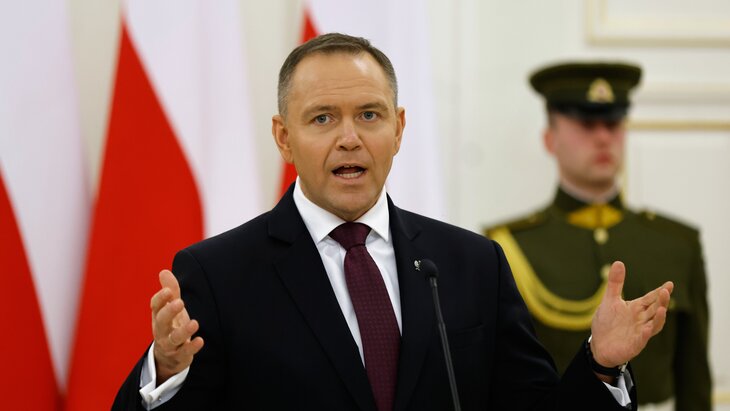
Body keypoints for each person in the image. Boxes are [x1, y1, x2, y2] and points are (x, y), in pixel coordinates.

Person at [113, 34, 673, 411]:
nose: (349, 137)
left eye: (370, 115)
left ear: (399, 129)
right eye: (322, 118)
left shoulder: (472, 264)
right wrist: (168, 369)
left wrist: (600, 365)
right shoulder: (219, 274)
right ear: (284, 137)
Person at [485, 61, 711, 411]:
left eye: (613, 124)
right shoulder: (508, 248)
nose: (603, 137)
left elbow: (694, 382)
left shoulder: (677, 244)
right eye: (586, 125)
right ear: (550, 139)